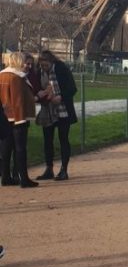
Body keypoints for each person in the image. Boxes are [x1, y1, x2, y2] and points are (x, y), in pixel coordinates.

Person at [35, 50, 78, 181]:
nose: (44, 68)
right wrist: (43, 97)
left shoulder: (61, 69)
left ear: (51, 61)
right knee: (47, 140)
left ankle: (64, 169)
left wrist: (61, 97)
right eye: (42, 65)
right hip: (48, 109)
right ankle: (49, 168)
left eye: (46, 65)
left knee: (63, 138)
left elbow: (72, 88)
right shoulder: (40, 72)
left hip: (63, 109)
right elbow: (38, 89)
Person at [0, 51, 39, 188]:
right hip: (17, 117)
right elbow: (17, 101)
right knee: (20, 148)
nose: (27, 66)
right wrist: (21, 119)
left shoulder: (2, 75)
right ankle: (24, 178)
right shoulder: (16, 77)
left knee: (6, 148)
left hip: (4, 117)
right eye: (24, 62)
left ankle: (5, 177)